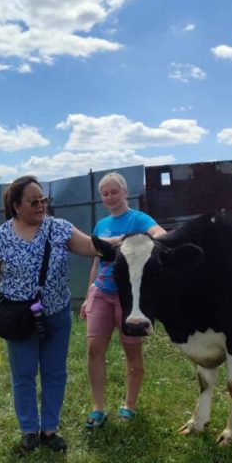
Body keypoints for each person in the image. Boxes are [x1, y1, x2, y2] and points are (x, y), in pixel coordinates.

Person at [0, 175, 99, 453]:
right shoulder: (1, 237)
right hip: (19, 319)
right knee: (24, 374)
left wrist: (121, 240)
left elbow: (92, 246)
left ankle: (50, 429)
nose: (41, 205)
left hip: (56, 315)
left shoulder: (59, 229)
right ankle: (29, 429)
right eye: (34, 201)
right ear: (16, 206)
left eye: (43, 200)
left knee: (55, 372)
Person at [79, 172, 166, 428]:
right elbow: (96, 261)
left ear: (125, 192)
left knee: (132, 352)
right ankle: (98, 408)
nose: (109, 197)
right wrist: (88, 295)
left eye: (114, 192)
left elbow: (159, 233)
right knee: (94, 350)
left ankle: (129, 406)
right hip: (102, 293)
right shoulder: (101, 225)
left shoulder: (139, 219)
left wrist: (152, 240)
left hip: (129, 298)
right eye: (105, 194)